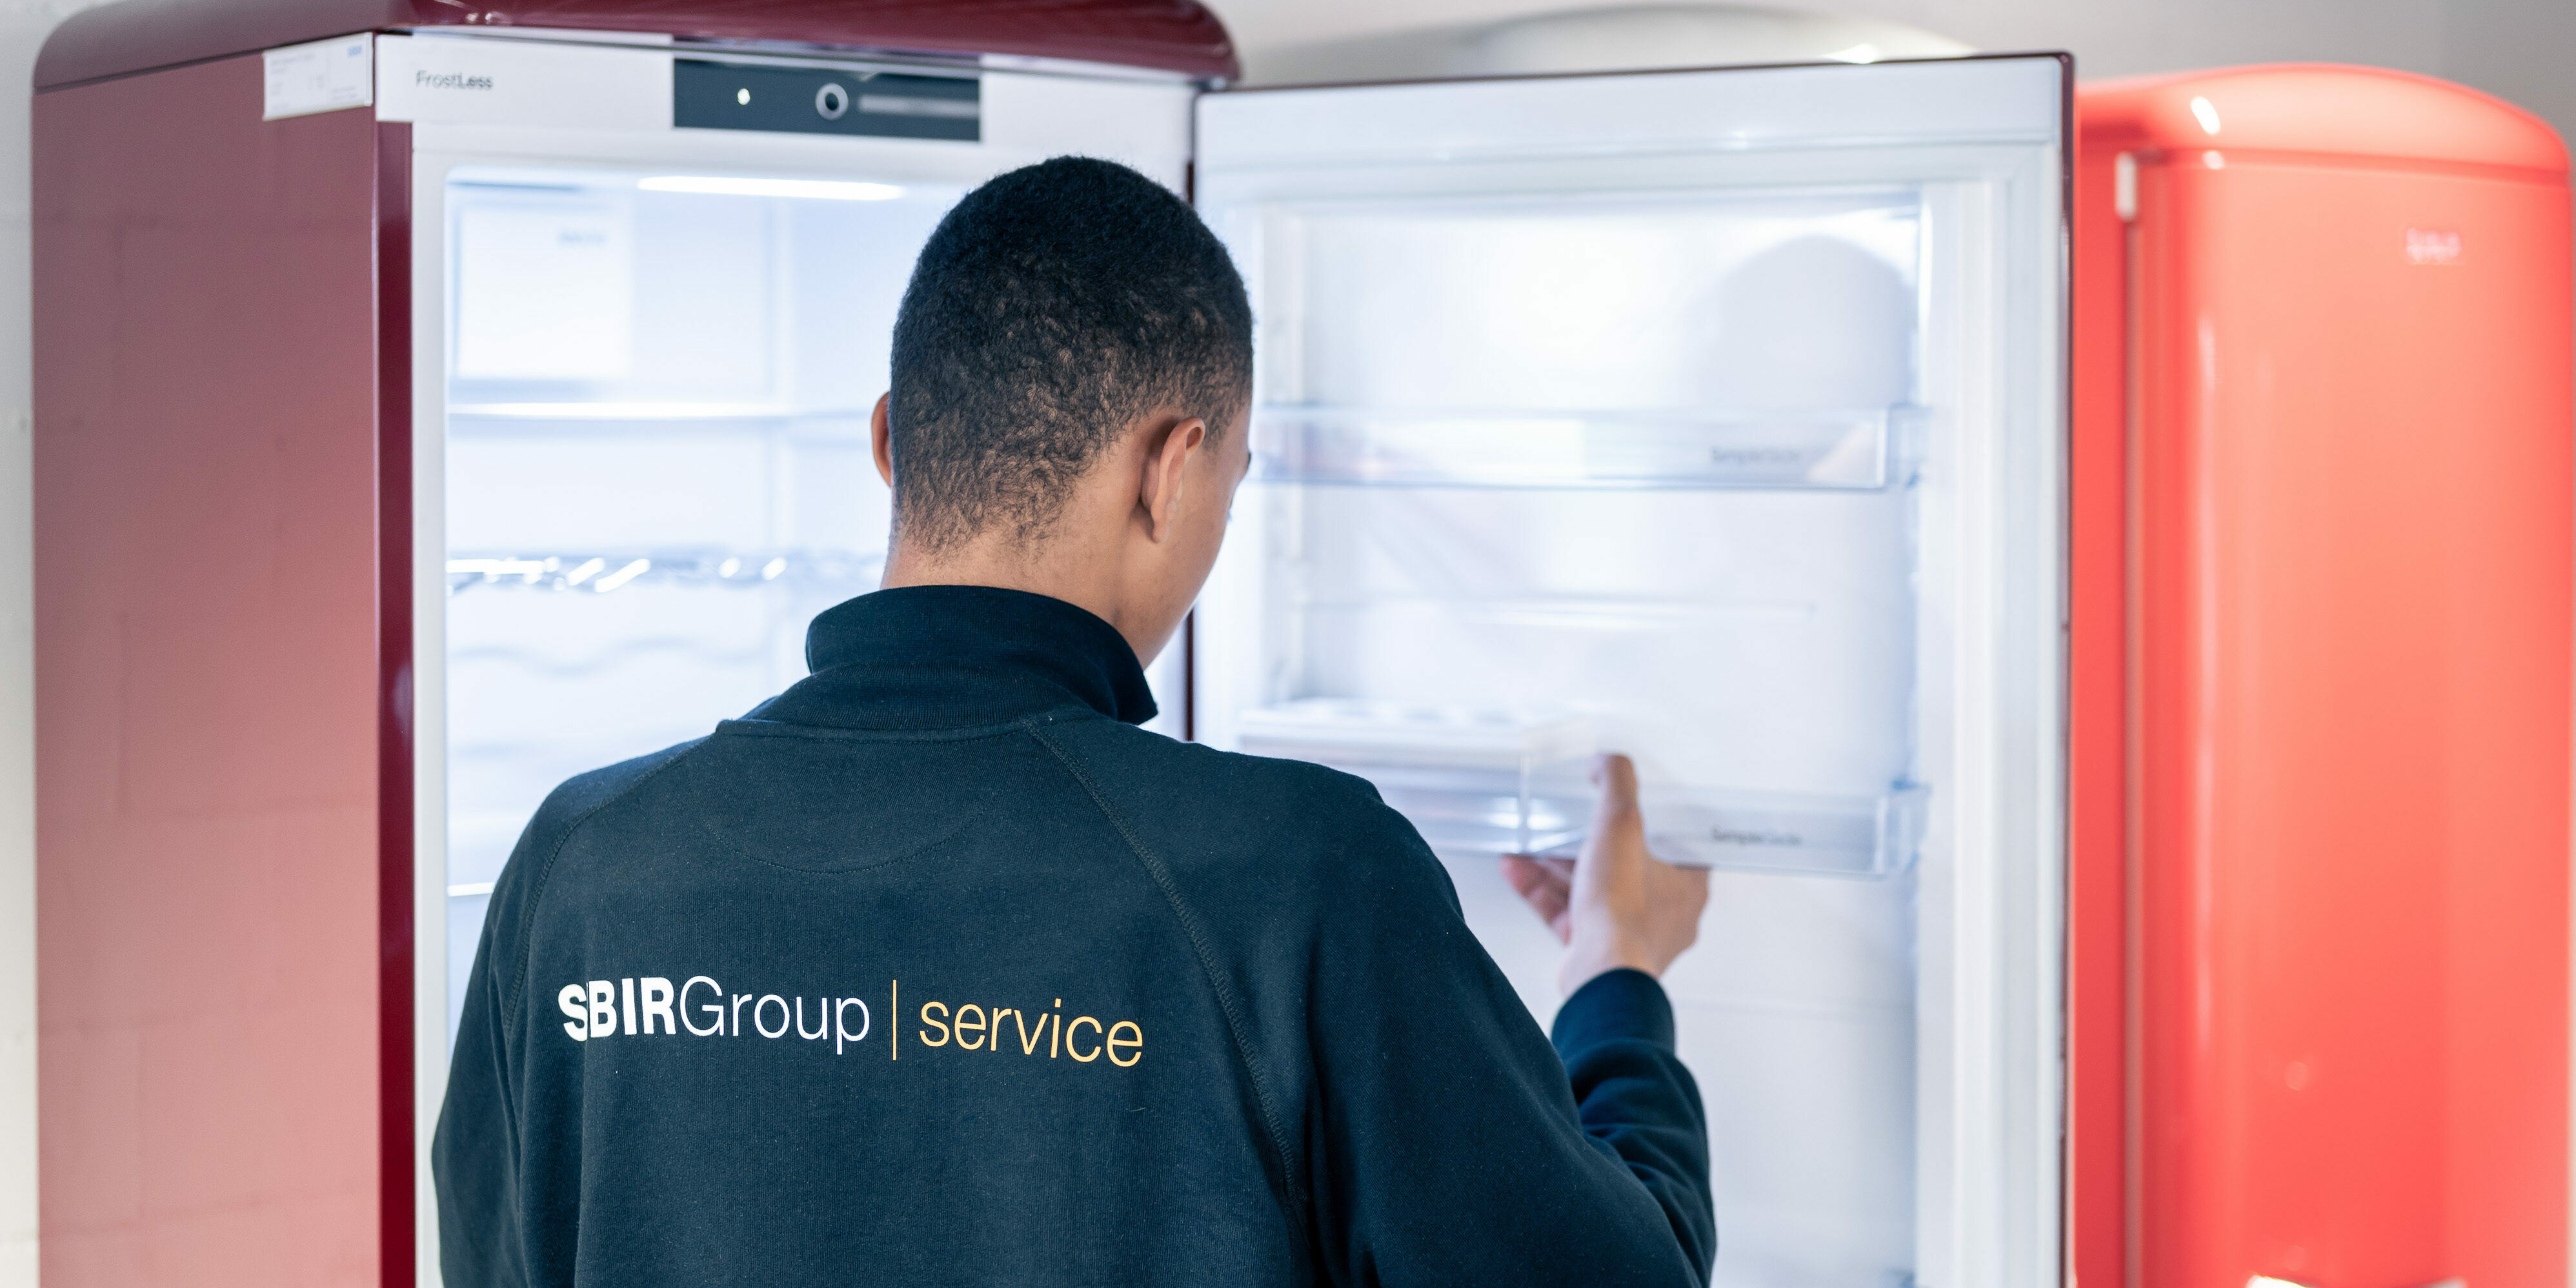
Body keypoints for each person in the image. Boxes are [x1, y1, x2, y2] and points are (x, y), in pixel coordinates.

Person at [432, 156, 1716, 1287]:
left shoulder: (581, 858)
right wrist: (1616, 976)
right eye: (1232, 479)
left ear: (890, 443)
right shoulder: (1295, 873)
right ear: (1169, 469)